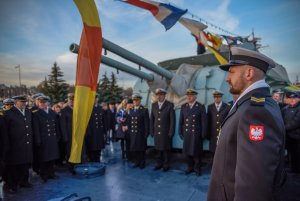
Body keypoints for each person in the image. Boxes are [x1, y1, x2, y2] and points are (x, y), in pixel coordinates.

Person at [207, 47, 286, 201]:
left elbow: (253, 188)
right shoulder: (254, 104)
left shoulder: (254, 112)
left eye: (232, 72)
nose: (227, 78)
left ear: (249, 73)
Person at [4, 95, 33, 193]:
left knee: (25, 164)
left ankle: (24, 182)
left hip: (26, 143)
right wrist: (7, 145)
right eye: (22, 102)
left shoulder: (28, 112)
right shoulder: (8, 113)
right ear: (16, 102)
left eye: (25, 102)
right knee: (14, 166)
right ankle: (13, 185)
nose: (24, 103)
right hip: (15, 145)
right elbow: (5, 131)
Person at [179, 88, 207, 176]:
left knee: (196, 153)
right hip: (187, 133)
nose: (189, 97)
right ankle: (190, 167)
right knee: (187, 152)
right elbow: (181, 121)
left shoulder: (200, 107)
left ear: (195, 96)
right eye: (188, 95)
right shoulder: (184, 106)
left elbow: (204, 122)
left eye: (191, 95)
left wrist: (203, 134)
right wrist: (180, 132)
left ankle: (197, 168)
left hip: (196, 134)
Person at [32, 95, 60, 183]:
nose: (43, 104)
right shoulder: (36, 114)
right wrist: (38, 140)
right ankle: (44, 175)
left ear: (47, 103)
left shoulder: (52, 112)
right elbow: (36, 129)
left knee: (52, 157)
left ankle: (51, 173)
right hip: (43, 140)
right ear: (39, 104)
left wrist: (58, 136)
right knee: (44, 159)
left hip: (52, 138)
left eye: (44, 103)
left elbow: (56, 126)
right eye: (41, 103)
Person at [150, 88, 175, 172]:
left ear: (164, 95)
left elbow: (172, 120)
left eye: (161, 95)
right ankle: (158, 164)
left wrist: (171, 132)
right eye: (158, 95)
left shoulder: (169, 105)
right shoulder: (154, 105)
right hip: (157, 131)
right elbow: (152, 119)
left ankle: (166, 164)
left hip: (165, 132)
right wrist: (152, 131)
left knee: (166, 150)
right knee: (157, 149)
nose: (159, 96)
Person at [127, 94, 149, 169]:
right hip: (133, 133)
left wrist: (146, 133)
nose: (135, 102)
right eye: (134, 100)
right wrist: (130, 132)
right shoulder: (131, 110)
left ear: (140, 101)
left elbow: (146, 123)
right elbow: (129, 122)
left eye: (137, 100)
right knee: (135, 148)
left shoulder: (144, 110)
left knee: (141, 149)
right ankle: (137, 162)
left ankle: (142, 162)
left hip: (140, 133)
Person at [207, 90, 230, 154]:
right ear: (214, 98)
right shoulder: (210, 107)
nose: (217, 98)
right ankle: (213, 163)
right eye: (215, 97)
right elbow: (208, 120)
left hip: (223, 132)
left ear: (221, 97)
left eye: (218, 97)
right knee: (213, 150)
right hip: (213, 133)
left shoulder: (227, 107)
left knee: (222, 150)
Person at [282, 92, 300, 174]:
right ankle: (292, 167)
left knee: (296, 154)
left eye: (294, 98)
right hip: (288, 136)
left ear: (298, 99)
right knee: (290, 153)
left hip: (296, 137)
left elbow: (295, 123)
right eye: (291, 98)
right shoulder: (286, 108)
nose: (292, 100)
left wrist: (283, 128)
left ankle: (296, 170)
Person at [85, 94, 106, 162]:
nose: (95, 99)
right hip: (92, 132)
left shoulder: (100, 108)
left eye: (96, 98)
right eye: (93, 98)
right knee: (92, 148)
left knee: (98, 148)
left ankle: (98, 160)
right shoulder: (88, 108)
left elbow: (103, 120)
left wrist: (104, 131)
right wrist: (88, 132)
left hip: (99, 131)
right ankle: (92, 160)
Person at [60, 93, 74, 174]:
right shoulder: (64, 111)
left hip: (76, 136)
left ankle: (77, 165)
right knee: (70, 152)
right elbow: (63, 125)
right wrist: (65, 137)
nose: (72, 101)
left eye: (73, 100)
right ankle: (71, 168)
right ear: (68, 100)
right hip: (68, 136)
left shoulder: (77, 109)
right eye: (70, 100)